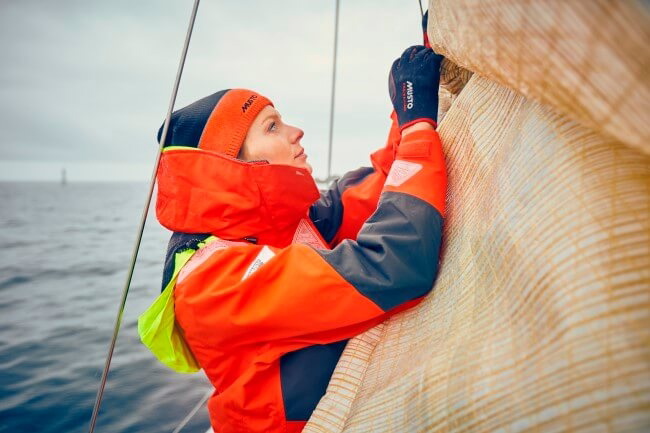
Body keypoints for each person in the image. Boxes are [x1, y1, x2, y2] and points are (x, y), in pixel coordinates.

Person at [139, 35, 446, 432]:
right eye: (273, 127)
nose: (296, 131)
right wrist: (420, 128)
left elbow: (379, 186)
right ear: (231, 165)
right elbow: (394, 264)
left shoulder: (289, 222)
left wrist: (406, 107)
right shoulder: (214, 287)